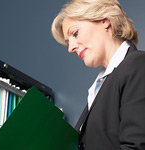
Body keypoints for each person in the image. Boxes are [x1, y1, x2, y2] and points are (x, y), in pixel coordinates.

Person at [51, 0, 145, 149]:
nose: (70, 48)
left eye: (75, 33)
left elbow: (136, 146)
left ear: (105, 21)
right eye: (68, 42)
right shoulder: (100, 86)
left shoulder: (137, 65)